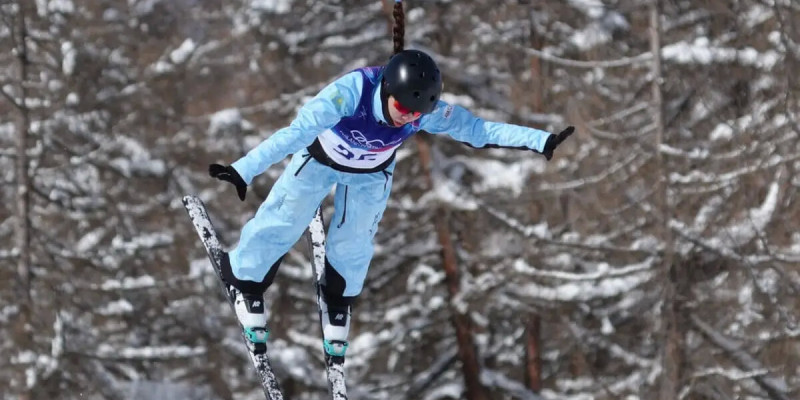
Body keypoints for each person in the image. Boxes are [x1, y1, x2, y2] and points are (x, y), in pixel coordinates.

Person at [208, 0, 573, 356]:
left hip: (371, 174)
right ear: (388, 89)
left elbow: (477, 129)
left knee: (355, 241)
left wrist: (539, 140)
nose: (406, 117)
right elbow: (295, 133)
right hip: (319, 159)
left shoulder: (422, 112)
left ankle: (338, 300)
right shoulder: (349, 94)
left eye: (416, 113)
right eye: (402, 107)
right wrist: (245, 168)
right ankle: (245, 280)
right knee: (286, 218)